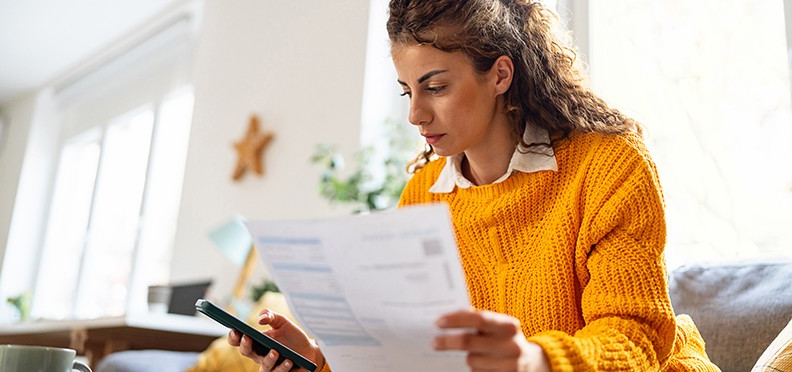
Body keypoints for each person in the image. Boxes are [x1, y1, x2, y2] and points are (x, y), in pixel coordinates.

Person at [229, 0, 720, 370]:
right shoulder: (423, 193)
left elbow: (637, 337)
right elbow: (415, 356)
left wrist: (534, 360)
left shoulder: (609, 166)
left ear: (500, 73)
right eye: (407, 90)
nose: (415, 114)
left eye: (435, 87)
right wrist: (319, 359)